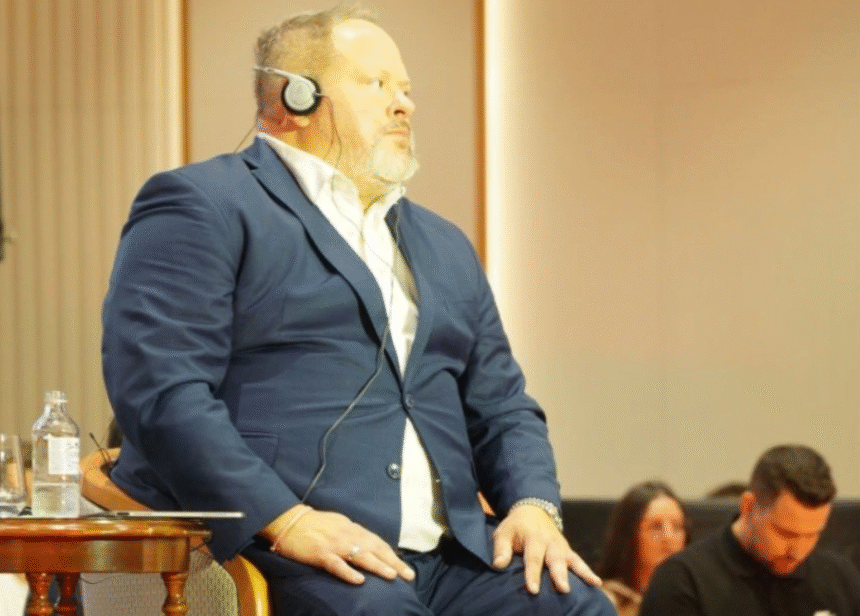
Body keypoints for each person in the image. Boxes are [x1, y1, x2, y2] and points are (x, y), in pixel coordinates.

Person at [100, 5, 614, 616]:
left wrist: (533, 505)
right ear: (296, 97)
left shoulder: (444, 243)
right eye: (378, 84)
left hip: (451, 557)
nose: (406, 105)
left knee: (577, 603)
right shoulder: (203, 205)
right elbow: (161, 389)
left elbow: (502, 404)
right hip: (285, 545)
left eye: (407, 89)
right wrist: (285, 519)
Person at [640, 444, 860, 615]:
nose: (798, 551)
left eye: (812, 534)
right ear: (748, 506)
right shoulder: (683, 582)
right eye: (786, 533)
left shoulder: (839, 579)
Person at [595, 481, 689, 616]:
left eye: (677, 527)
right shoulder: (602, 602)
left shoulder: (694, 598)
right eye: (655, 527)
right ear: (629, 536)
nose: (668, 537)